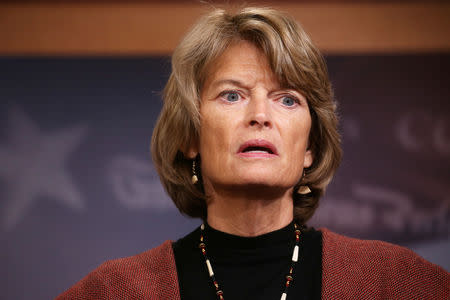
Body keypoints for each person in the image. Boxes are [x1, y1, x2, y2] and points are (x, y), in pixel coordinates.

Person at [57, 6, 449, 300]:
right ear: (190, 135)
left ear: (310, 148)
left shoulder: (393, 282)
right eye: (233, 95)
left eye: (287, 100)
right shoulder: (116, 291)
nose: (260, 115)